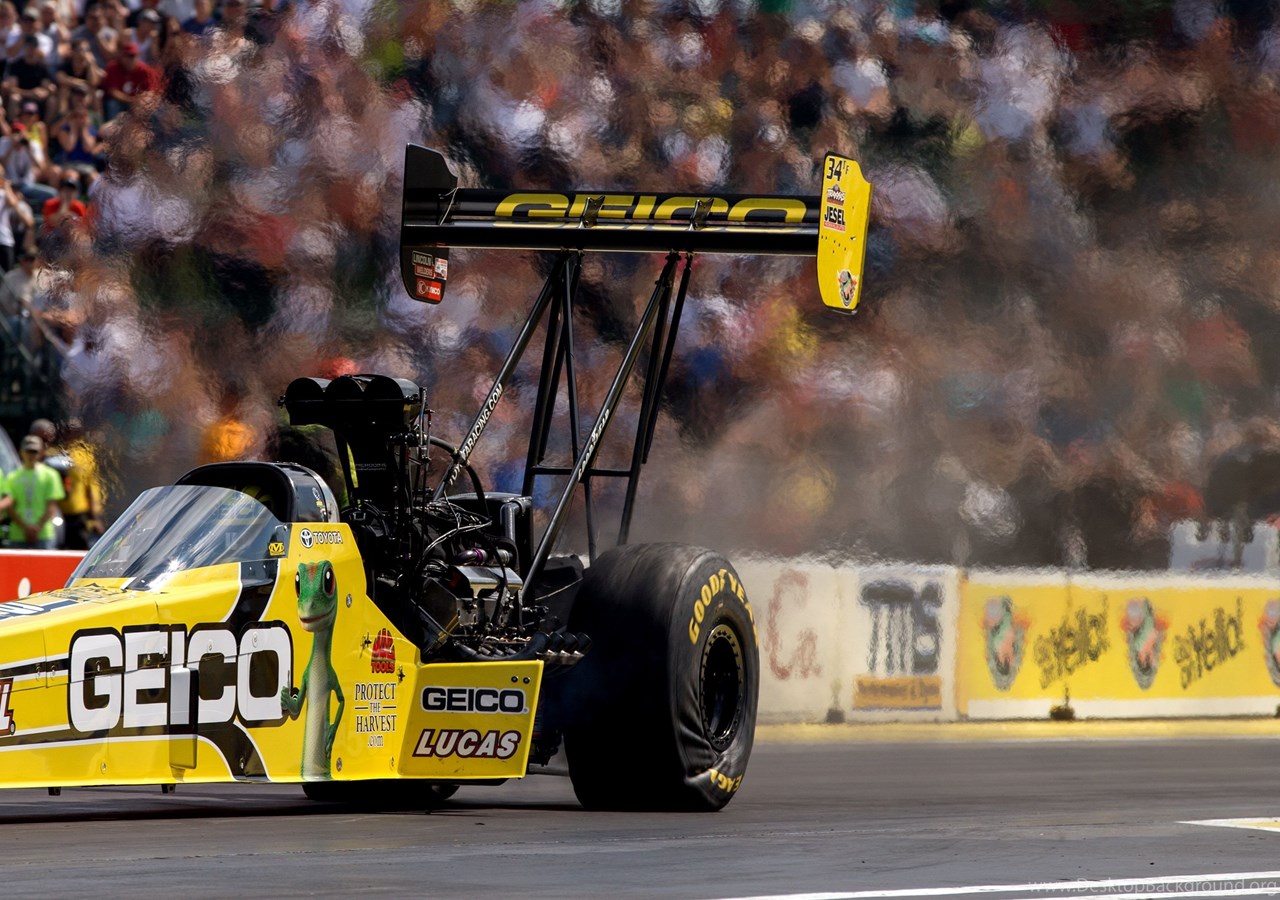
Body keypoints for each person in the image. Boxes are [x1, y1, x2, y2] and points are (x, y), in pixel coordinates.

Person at [4, 433, 64, 549]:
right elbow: (10, 507)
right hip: (18, 534)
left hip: (43, 533)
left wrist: (37, 527)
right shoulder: (12, 477)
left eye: (34, 452)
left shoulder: (50, 475)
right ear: (21, 452)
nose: (31, 455)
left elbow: (52, 506)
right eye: (28, 451)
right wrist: (25, 528)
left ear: (40, 453)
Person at [101, 40, 158, 120]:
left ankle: (145, 127)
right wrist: (131, 100)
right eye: (127, 56)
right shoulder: (113, 68)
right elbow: (113, 92)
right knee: (112, 104)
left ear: (138, 57)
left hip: (138, 102)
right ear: (122, 56)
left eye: (133, 56)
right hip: (120, 102)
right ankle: (112, 127)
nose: (130, 59)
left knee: (150, 107)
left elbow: (150, 91)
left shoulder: (145, 70)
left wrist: (142, 100)